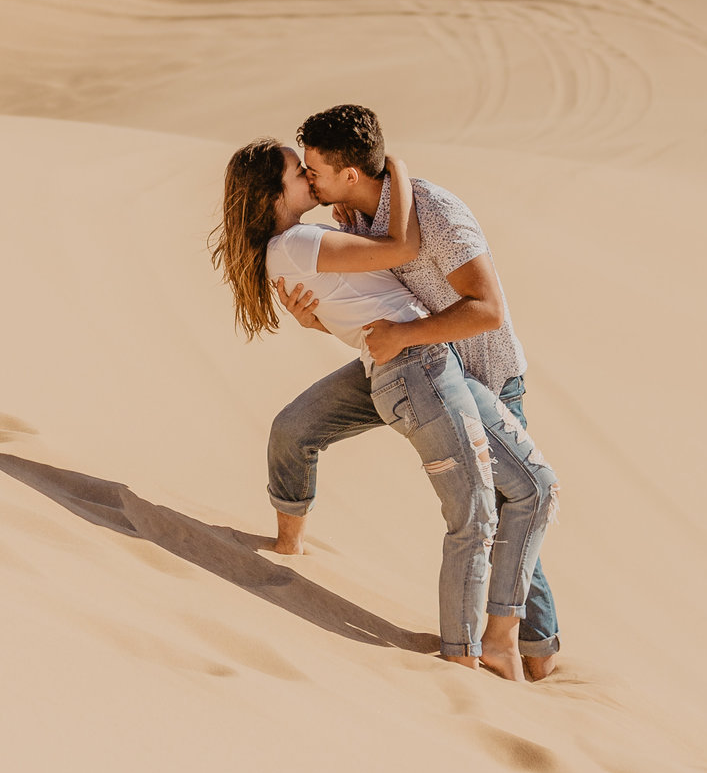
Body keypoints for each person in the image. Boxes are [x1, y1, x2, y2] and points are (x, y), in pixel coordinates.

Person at [213, 137, 556, 679]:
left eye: (310, 166)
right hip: (418, 370)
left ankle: (512, 644)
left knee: (533, 489)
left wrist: (317, 319)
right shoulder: (299, 242)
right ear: (273, 195)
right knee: (478, 513)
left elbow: (359, 307)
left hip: (430, 362)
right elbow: (401, 248)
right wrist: (393, 166)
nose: (307, 174)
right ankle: (467, 659)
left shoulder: (307, 241)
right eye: (296, 171)